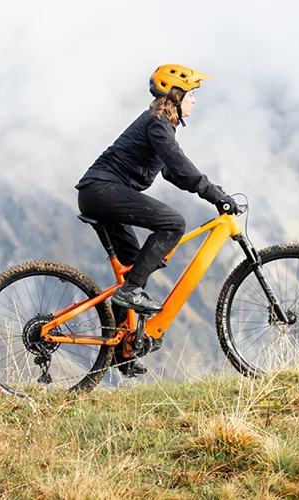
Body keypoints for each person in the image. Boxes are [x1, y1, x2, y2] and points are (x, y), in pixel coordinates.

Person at [75, 64, 237, 375]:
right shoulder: (159, 124)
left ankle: (122, 348)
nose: (194, 100)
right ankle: (129, 293)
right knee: (173, 223)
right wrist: (215, 193)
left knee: (134, 267)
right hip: (102, 191)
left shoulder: (161, 125)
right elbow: (179, 163)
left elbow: (172, 171)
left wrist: (206, 190)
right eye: (191, 94)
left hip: (100, 192)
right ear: (175, 96)